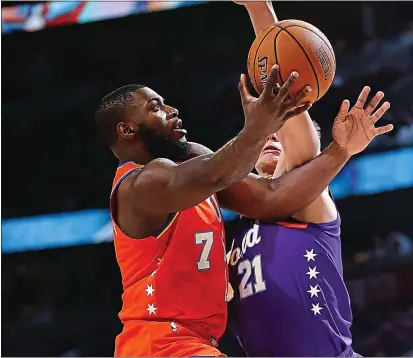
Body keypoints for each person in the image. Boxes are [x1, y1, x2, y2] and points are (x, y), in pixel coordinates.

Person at [94, 16, 391, 358]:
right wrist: (257, 129)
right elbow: (218, 173)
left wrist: (340, 151)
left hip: (199, 344)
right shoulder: (142, 184)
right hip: (161, 343)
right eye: (156, 108)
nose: (174, 111)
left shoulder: (229, 193)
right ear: (127, 131)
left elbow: (270, 196)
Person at [227, 1, 392, 356]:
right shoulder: (241, 220)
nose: (271, 137)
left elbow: (296, 128)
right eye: (263, 135)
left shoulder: (302, 197)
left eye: (279, 133)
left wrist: (259, 10)